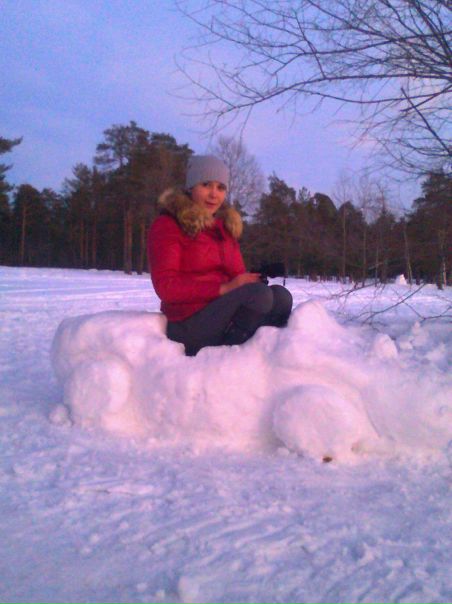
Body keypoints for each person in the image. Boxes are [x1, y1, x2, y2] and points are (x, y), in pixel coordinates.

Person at [147, 155, 293, 356]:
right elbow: (167, 287)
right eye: (206, 184)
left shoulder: (224, 228)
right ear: (191, 186)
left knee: (281, 297)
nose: (214, 194)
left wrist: (256, 276)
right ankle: (224, 359)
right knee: (260, 296)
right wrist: (225, 288)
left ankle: (264, 356)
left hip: (221, 313)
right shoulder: (169, 225)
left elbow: (237, 277)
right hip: (187, 322)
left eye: (221, 187)